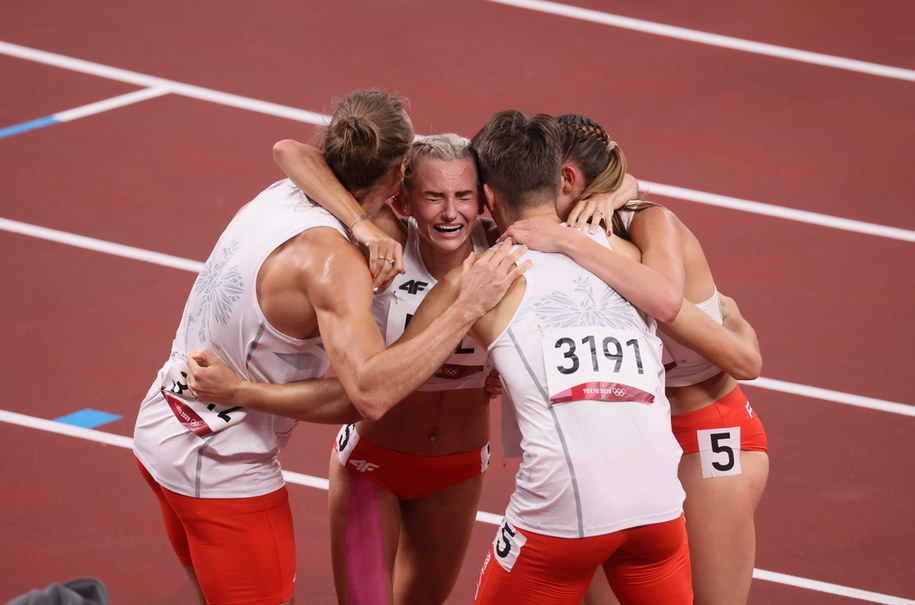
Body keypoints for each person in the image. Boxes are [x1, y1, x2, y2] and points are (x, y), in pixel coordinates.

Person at [132, 90, 527, 605]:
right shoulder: (350, 255)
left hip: (169, 420)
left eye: (464, 197)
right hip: (223, 452)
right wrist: (462, 306)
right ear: (401, 188)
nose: (449, 210)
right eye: (432, 195)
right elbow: (367, 397)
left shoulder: (285, 195)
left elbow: (290, 150)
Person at [403, 110, 693, 604]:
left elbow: (388, 378)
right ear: (560, 180)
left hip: (561, 517)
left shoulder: (480, 278)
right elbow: (666, 291)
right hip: (660, 510)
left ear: (489, 199)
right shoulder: (627, 253)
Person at [502, 113, 767, 605]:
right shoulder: (570, 232)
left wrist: (571, 239)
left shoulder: (644, 223)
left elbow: (744, 358)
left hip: (707, 433)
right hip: (637, 443)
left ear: (566, 180)